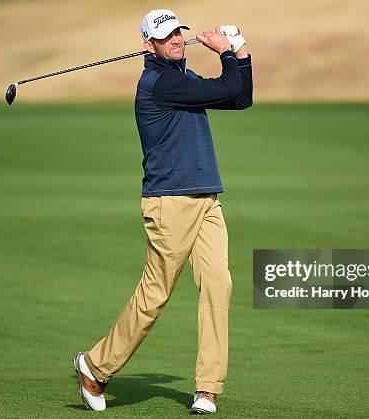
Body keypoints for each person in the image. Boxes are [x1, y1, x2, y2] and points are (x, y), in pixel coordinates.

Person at [73, 8, 252, 414]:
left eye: (177, 33)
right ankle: (95, 366)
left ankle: (207, 388)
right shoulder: (159, 83)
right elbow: (225, 86)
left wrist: (241, 51)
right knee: (155, 295)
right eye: (165, 35)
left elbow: (240, 97)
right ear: (148, 44)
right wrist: (224, 53)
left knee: (218, 285)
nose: (175, 39)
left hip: (206, 198)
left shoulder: (183, 80)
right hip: (169, 202)